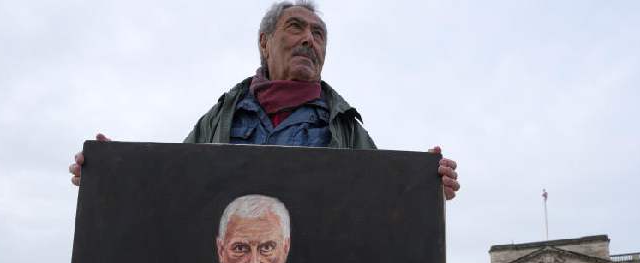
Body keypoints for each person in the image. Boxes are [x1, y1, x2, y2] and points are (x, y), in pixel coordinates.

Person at [68, 2, 460, 201]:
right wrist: (112, 175)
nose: (310, 39)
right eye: (296, 28)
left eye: (319, 34)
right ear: (264, 41)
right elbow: (172, 181)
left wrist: (426, 188)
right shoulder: (221, 117)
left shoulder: (344, 127)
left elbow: (384, 199)